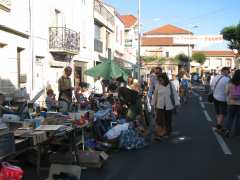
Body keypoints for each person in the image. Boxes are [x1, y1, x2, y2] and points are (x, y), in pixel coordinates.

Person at [152, 73, 180, 139]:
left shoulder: (170, 84)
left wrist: (177, 103)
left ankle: (168, 132)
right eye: (159, 80)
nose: (160, 81)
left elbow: (175, 94)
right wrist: (153, 104)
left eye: (161, 80)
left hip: (169, 105)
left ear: (165, 79)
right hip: (160, 105)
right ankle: (160, 132)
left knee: (168, 120)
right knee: (159, 120)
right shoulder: (158, 85)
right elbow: (155, 95)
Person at [210, 67, 230, 132]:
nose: (228, 73)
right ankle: (218, 126)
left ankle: (219, 126)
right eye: (228, 71)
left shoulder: (216, 77)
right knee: (222, 113)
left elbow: (211, 85)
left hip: (215, 96)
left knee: (217, 112)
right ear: (225, 71)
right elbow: (228, 90)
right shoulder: (227, 79)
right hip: (223, 98)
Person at [224, 69, 240, 137]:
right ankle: (237, 133)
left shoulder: (230, 82)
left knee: (230, 117)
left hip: (231, 102)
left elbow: (226, 92)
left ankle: (228, 130)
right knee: (238, 118)